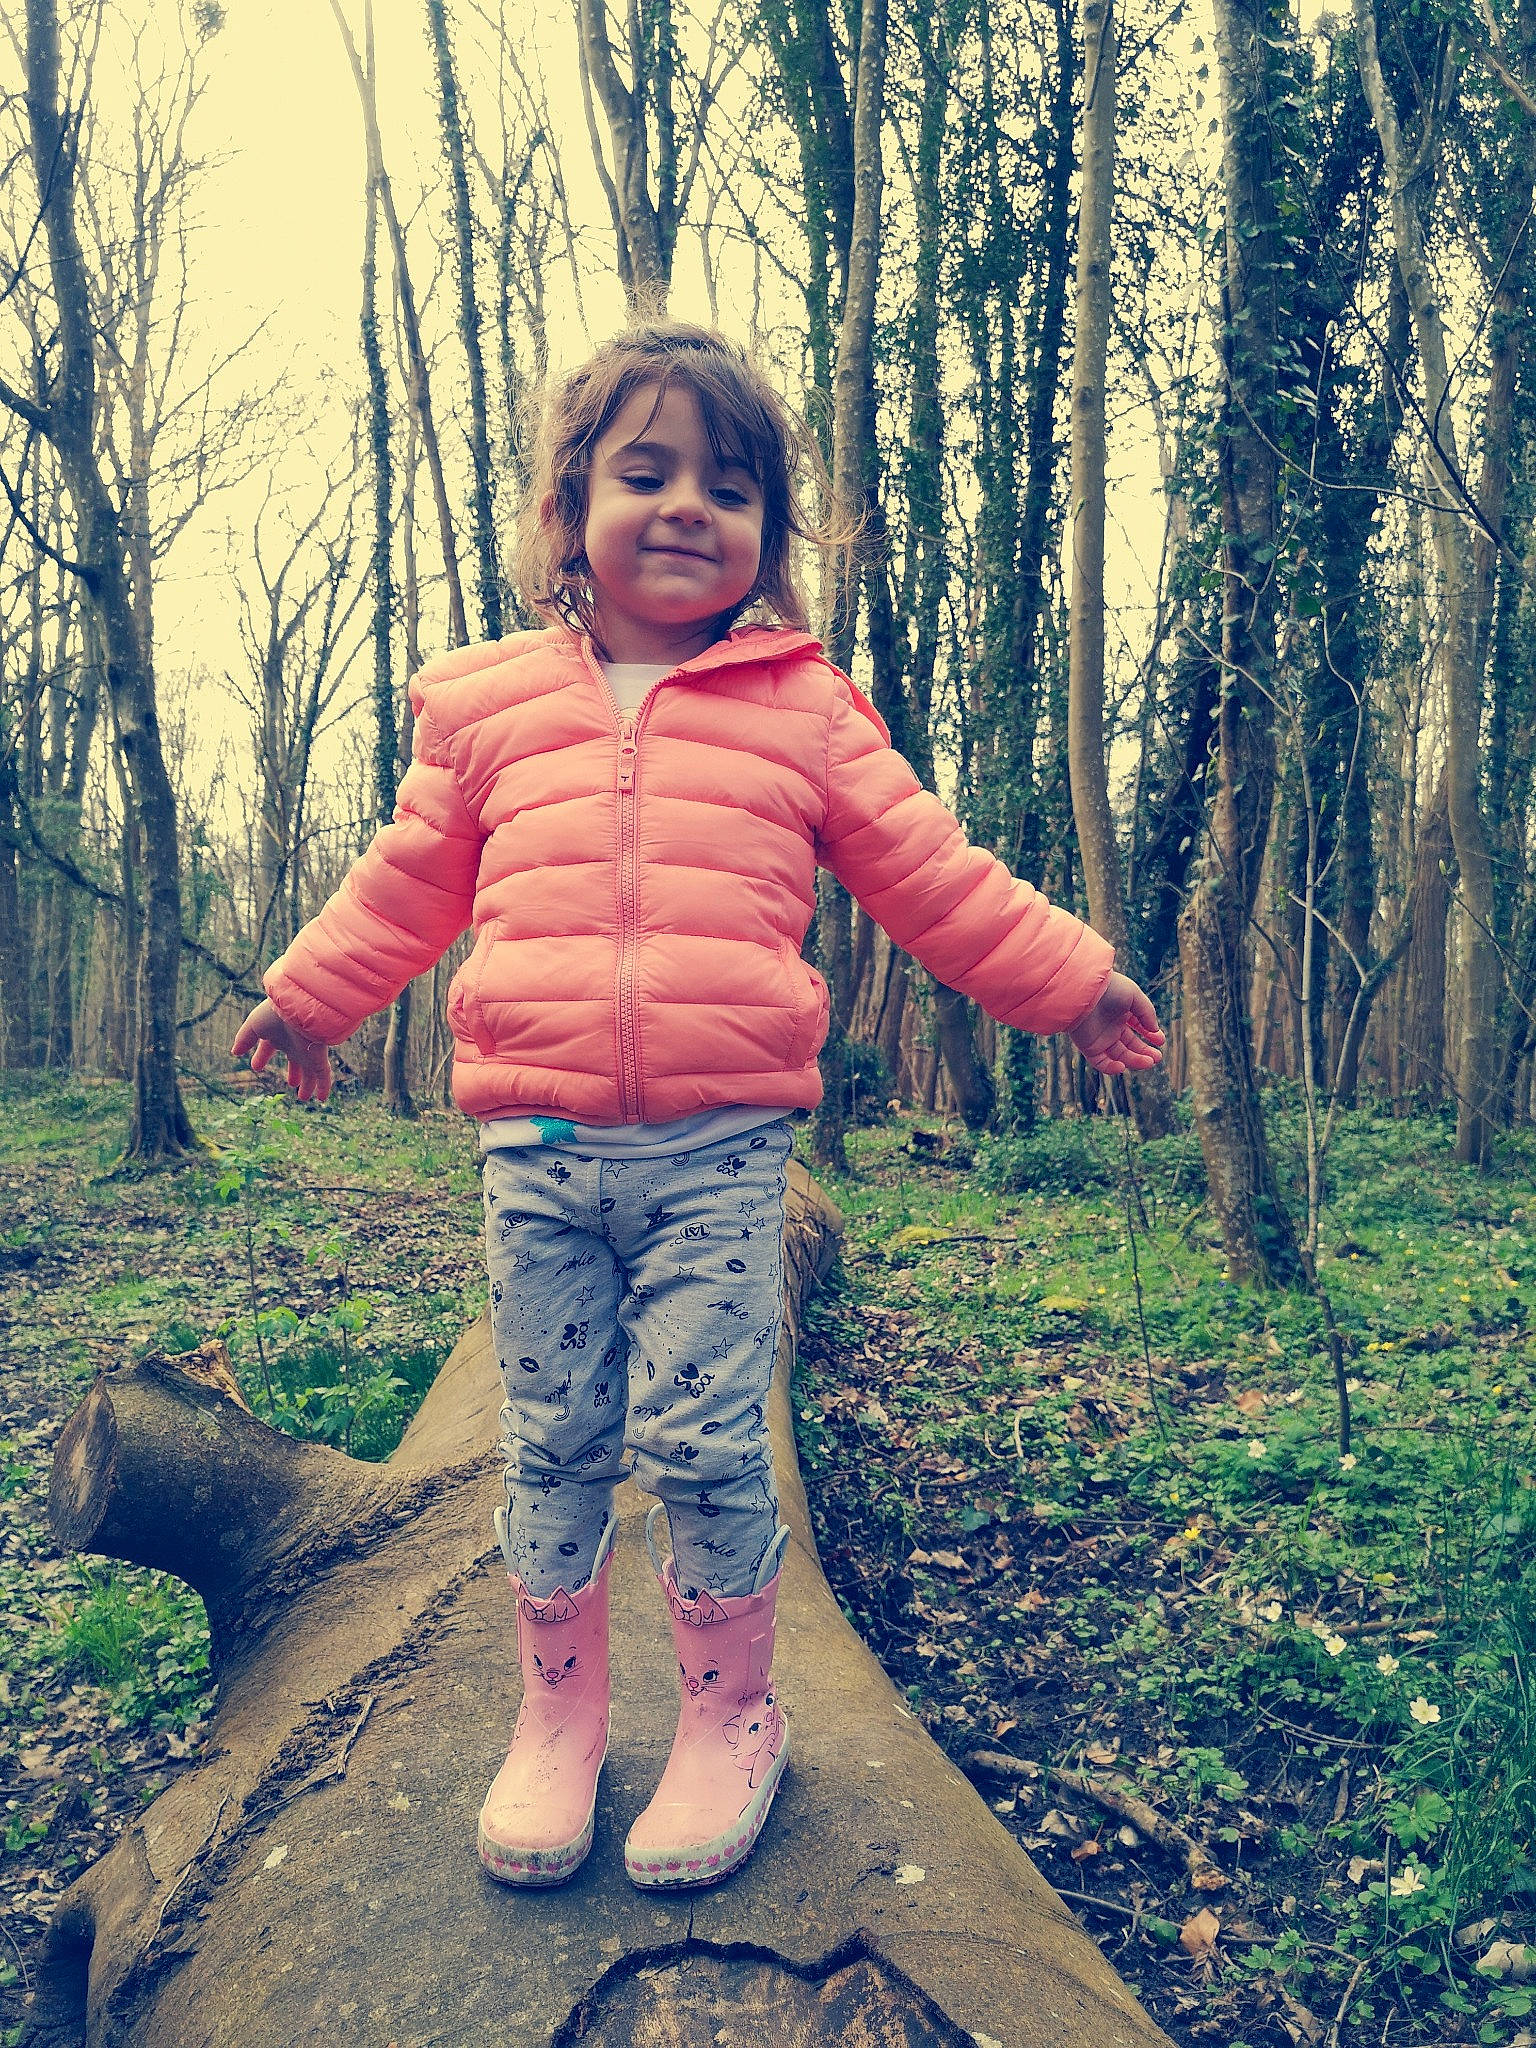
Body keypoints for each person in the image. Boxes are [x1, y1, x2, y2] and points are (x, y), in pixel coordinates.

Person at [231, 319, 1164, 1895]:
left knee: (705, 1435)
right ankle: (559, 1718)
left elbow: (931, 873)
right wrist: (313, 994)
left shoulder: (806, 709)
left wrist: (1067, 982)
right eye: (642, 473)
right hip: (533, 1158)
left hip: (721, 1161)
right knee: (553, 1439)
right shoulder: (485, 709)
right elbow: (404, 882)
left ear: (768, 540)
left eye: (728, 489)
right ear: (567, 511)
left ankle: (732, 1715)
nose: (684, 507)